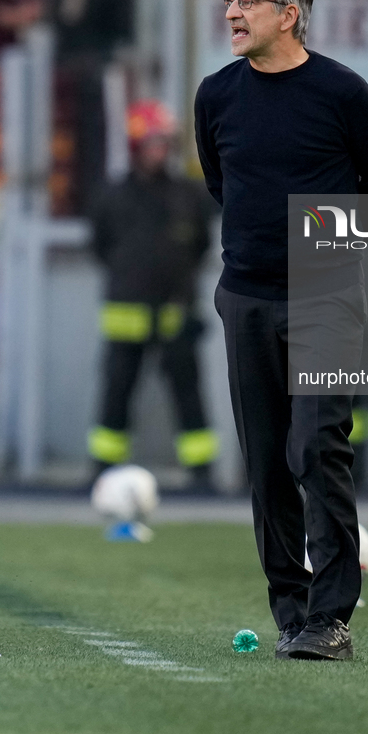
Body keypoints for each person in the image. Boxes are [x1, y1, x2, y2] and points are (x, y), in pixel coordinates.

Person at [195, 0, 368, 660]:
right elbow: (225, 185)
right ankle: (292, 613)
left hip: (325, 294)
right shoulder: (215, 96)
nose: (231, 12)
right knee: (266, 463)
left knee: (314, 446)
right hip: (245, 297)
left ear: (289, 14)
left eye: (248, 1)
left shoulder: (342, 93)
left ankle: (331, 618)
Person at [88, 99, 219, 492]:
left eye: (164, 142)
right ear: (135, 147)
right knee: (116, 393)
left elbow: (200, 246)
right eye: (151, 142)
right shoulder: (113, 195)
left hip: (176, 314)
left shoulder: (188, 196)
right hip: (125, 315)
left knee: (188, 393)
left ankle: (201, 475)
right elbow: (101, 246)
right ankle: (102, 470)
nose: (158, 150)